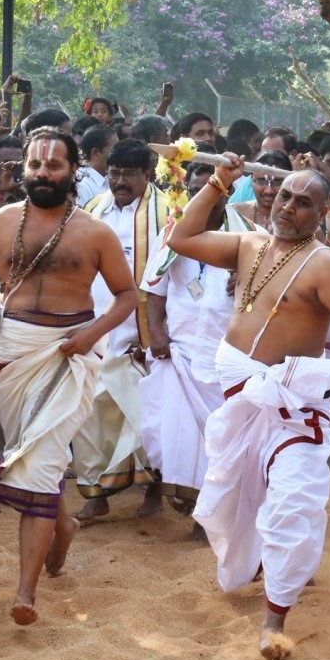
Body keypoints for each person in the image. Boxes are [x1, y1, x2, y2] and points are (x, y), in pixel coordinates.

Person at [170, 163, 330, 660]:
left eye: (302, 202)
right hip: (243, 397)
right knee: (241, 496)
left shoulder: (325, 266)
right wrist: (219, 180)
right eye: (284, 195)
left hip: (294, 405)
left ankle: (274, 621)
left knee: (292, 505)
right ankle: (281, 566)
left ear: (322, 211)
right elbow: (183, 238)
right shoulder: (249, 245)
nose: (287, 206)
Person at [0, 127, 136, 624]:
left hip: (70, 357)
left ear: (74, 170)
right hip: (11, 356)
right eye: (34, 165)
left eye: (53, 166)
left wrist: (91, 335)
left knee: (41, 466)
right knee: (35, 465)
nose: (42, 174)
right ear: (21, 169)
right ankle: (64, 527)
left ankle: (25, 592)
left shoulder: (95, 232)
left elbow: (127, 296)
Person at [138, 161, 252, 531]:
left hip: (227, 355)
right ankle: (194, 504)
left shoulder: (248, 236)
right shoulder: (173, 232)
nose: (202, 198)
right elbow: (154, 289)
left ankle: (211, 519)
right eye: (198, 190)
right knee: (172, 433)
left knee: (222, 437)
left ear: (226, 193)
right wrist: (157, 334)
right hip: (181, 353)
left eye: (213, 190)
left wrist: (246, 281)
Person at [73, 139, 167, 521]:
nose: (120, 181)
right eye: (114, 173)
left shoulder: (167, 212)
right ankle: (97, 495)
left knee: (146, 416)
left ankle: (154, 489)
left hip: (143, 334)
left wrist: (160, 331)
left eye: (129, 174)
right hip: (95, 328)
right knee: (90, 413)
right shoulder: (93, 209)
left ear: (148, 174)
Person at [233, 150, 293, 231]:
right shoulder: (235, 213)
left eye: (277, 182)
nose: (269, 191)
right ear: (251, 180)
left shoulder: (300, 220)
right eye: (261, 181)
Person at [75, 126, 116, 206]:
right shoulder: (81, 185)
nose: (119, 153)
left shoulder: (108, 178)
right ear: (96, 153)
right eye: (114, 149)